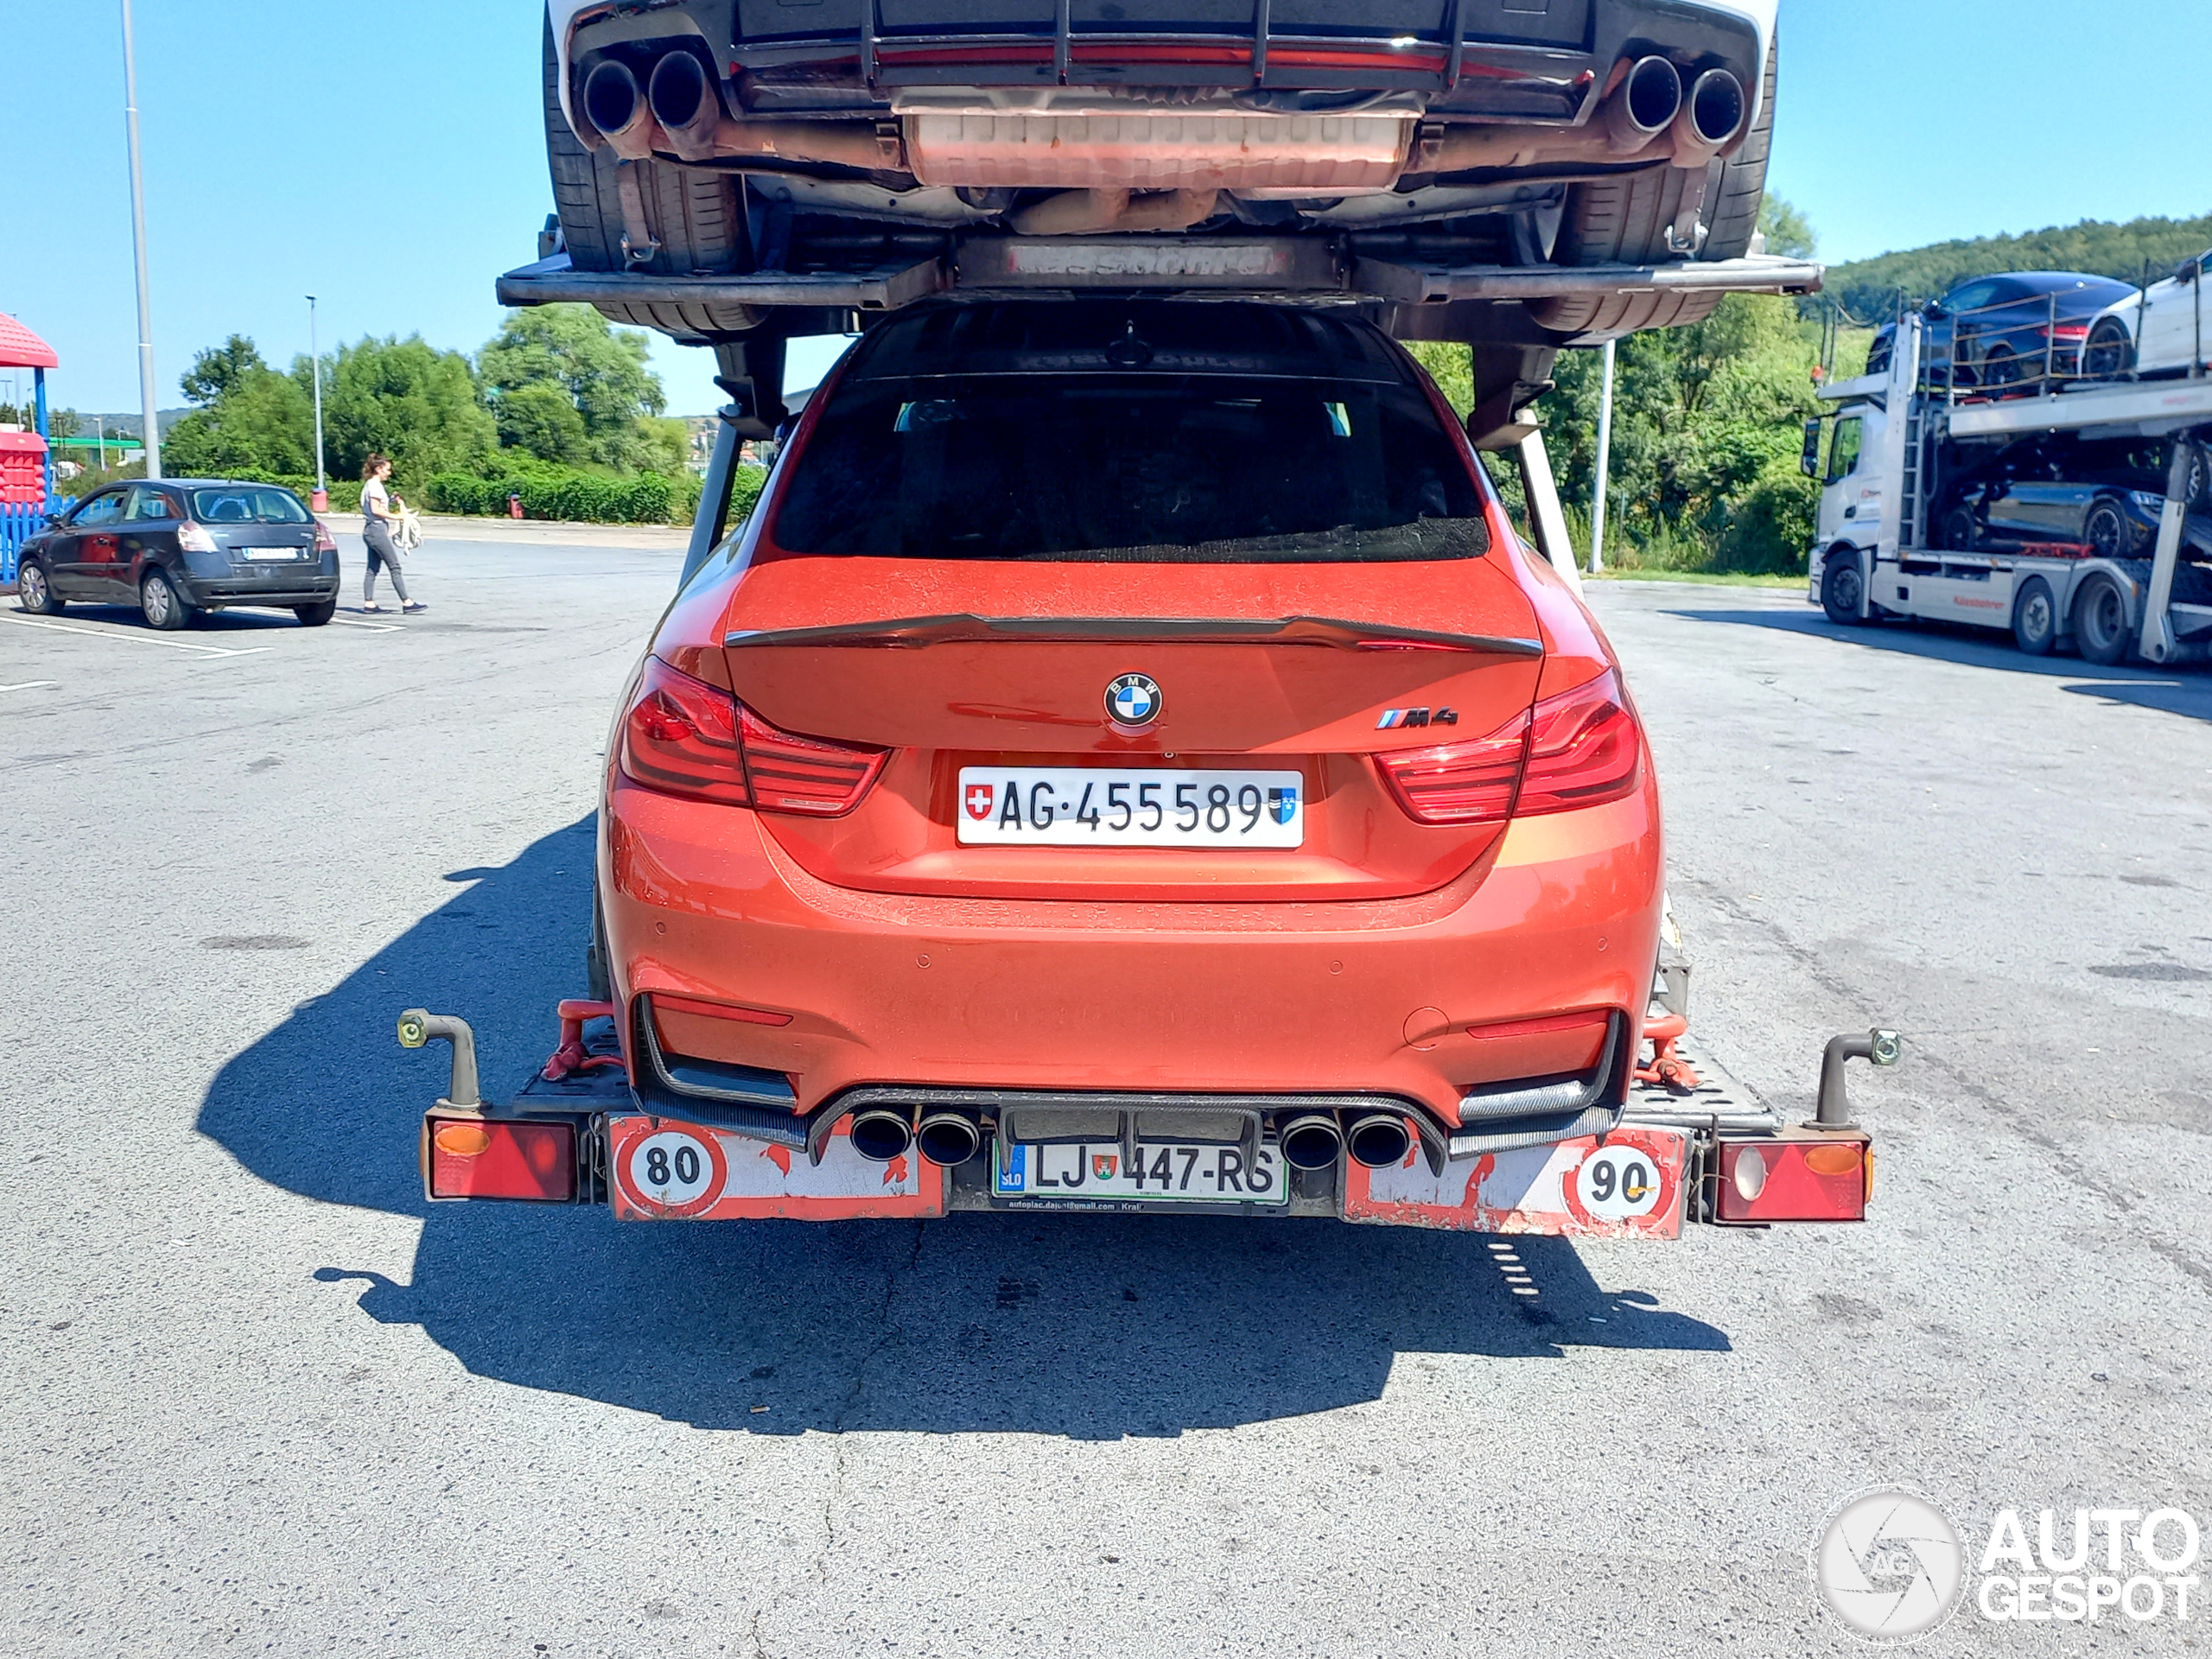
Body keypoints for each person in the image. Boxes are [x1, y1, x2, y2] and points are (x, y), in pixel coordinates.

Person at [359, 454, 424, 613]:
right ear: (379, 469)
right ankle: (407, 602)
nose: (389, 472)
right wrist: (397, 516)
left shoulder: (372, 485)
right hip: (376, 531)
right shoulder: (374, 486)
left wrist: (391, 499)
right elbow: (376, 509)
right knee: (394, 566)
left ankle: (369, 603)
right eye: (387, 469)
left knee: (372, 569)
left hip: (372, 530)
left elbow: (378, 504)